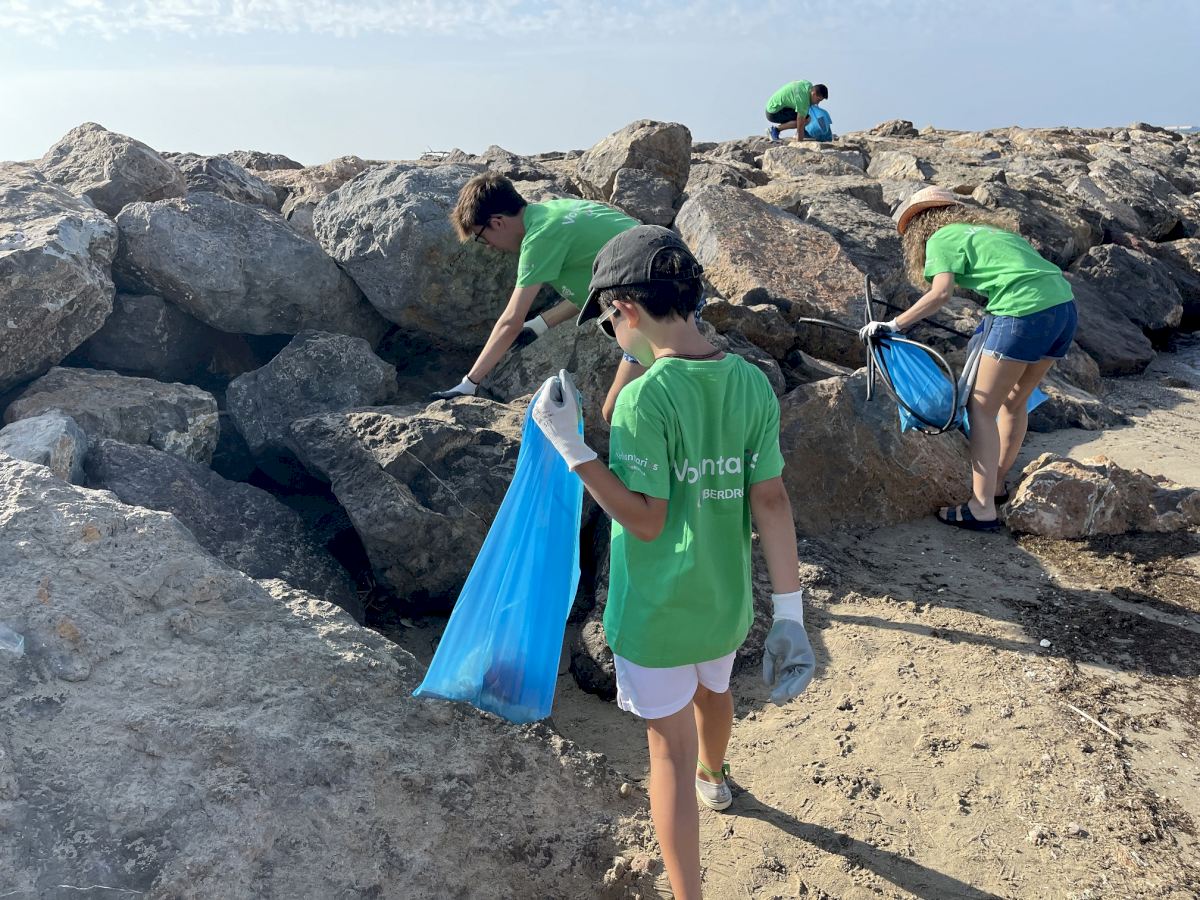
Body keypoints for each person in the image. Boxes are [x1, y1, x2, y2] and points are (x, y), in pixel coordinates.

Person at [531, 226, 817, 899]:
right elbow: (771, 499)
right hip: (724, 602)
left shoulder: (645, 397)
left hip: (656, 615)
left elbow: (646, 519)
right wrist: (790, 614)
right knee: (715, 691)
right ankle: (716, 775)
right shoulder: (750, 382)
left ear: (626, 309)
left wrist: (572, 448)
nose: (611, 334)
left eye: (609, 320)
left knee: (667, 750)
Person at [860, 186, 1078, 531]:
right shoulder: (991, 232)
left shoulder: (940, 239)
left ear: (917, 227)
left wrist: (893, 325)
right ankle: (996, 484)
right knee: (1014, 401)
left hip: (1021, 311)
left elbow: (941, 293)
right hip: (1064, 308)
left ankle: (981, 508)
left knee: (981, 410)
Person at [431, 172, 640, 400]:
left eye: (481, 237)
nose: (488, 246)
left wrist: (469, 384)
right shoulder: (558, 210)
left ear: (497, 222)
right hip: (661, 291)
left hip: (651, 314)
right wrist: (540, 324)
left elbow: (510, 322)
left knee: (618, 409)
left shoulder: (539, 238)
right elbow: (594, 289)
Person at [764, 80, 829, 142]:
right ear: (813, 94)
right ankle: (775, 130)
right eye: (818, 100)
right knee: (806, 120)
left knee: (805, 115)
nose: (817, 103)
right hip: (773, 113)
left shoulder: (808, 85)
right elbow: (800, 123)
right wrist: (800, 141)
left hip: (774, 106)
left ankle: (803, 133)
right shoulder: (803, 100)